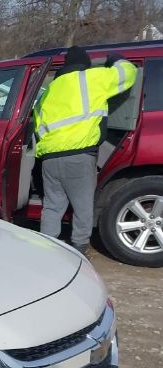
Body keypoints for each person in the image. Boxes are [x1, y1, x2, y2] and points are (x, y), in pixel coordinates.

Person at [33, 46, 137, 256]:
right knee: (83, 206)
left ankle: (46, 248)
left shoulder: (50, 90)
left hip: (49, 159)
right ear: (85, 64)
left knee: (52, 207)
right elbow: (128, 73)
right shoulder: (93, 78)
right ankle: (79, 247)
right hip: (79, 156)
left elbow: (37, 126)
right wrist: (116, 59)